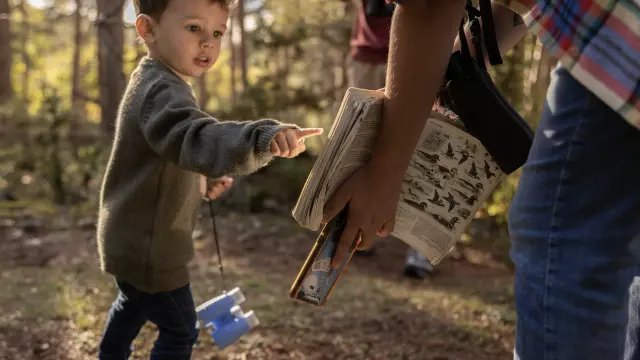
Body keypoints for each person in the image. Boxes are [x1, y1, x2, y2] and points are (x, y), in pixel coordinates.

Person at [323, 0, 640, 359]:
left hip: (621, 39)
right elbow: (519, 9)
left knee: (564, 240)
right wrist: (444, 73)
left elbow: (427, 9)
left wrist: (382, 175)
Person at [95, 0, 323, 358]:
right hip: (150, 250)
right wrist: (260, 136)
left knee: (133, 304)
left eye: (217, 32)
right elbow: (195, 137)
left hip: (129, 239)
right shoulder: (160, 90)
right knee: (180, 331)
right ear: (147, 29)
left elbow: (168, 153)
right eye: (193, 28)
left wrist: (200, 181)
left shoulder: (159, 80)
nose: (208, 43)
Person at [345, 0, 435, 277]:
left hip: (421, 51)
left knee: (423, 148)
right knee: (357, 145)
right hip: (367, 55)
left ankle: (421, 247)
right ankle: (356, 232)